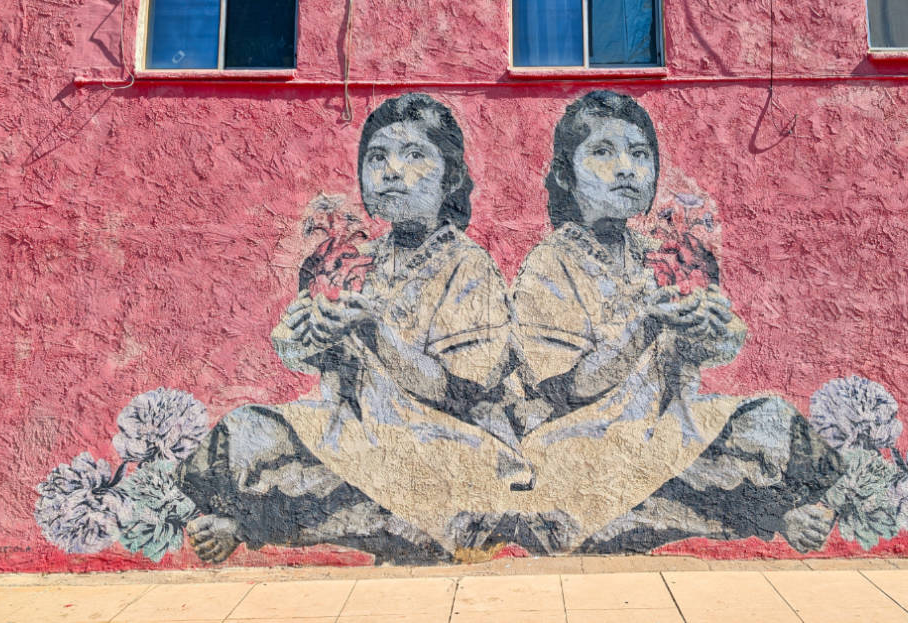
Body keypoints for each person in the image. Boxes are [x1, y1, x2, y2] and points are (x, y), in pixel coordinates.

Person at [178, 93, 531, 562]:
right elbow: (303, 355)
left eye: (415, 155)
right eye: (377, 157)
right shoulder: (359, 261)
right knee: (244, 432)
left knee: (407, 486)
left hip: (449, 441)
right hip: (359, 432)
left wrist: (374, 333)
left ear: (450, 178)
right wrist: (308, 332)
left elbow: (461, 391)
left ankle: (246, 521)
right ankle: (245, 514)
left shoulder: (468, 266)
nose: (391, 170)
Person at [509, 90, 841, 554]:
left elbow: (716, 352)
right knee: (615, 476)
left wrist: (711, 326)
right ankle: (774, 513)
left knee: (770, 418)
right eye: (603, 152)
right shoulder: (549, 265)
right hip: (582, 437)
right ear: (566, 175)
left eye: (640, 154)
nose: (626, 167)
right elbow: (566, 390)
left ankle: (780, 507)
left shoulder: (659, 256)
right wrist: (644, 327)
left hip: (668, 427)